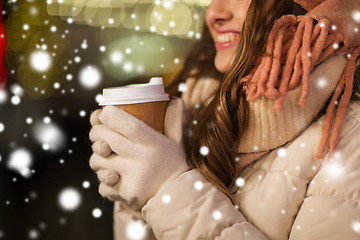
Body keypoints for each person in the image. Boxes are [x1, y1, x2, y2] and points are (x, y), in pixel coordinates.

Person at [89, 0, 360, 239]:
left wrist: (169, 191)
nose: (213, 13)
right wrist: (137, 199)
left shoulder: (351, 135)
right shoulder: (199, 101)